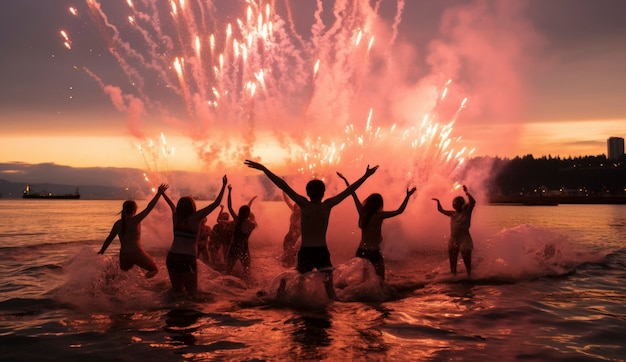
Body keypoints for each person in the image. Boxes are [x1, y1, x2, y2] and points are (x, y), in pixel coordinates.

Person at [244, 159, 378, 300]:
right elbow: (349, 191)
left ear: (307, 192)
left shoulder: (304, 204)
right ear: (323, 192)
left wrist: (264, 169)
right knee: (330, 292)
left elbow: (284, 186)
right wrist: (366, 176)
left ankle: (285, 294)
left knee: (300, 284)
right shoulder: (327, 205)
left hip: (306, 251)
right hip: (321, 251)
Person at [337, 173, 416, 279]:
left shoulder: (362, 213)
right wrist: (408, 196)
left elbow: (352, 193)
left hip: (361, 251)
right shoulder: (379, 216)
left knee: (364, 280)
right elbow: (400, 211)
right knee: (380, 279)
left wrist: (345, 180)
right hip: (374, 251)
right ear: (379, 205)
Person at [161, 176, 228, 296]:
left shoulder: (175, 216)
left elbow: (171, 205)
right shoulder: (195, 218)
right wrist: (223, 186)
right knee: (192, 294)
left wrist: (162, 193)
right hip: (186, 258)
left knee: (177, 293)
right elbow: (216, 203)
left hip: (172, 257)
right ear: (192, 206)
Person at [98, 183, 169, 279]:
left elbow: (109, 239)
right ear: (134, 210)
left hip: (124, 254)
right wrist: (158, 194)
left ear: (123, 210)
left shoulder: (117, 224)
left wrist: (102, 251)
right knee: (153, 270)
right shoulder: (135, 220)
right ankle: (143, 285)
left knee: (121, 276)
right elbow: (149, 207)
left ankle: (109, 284)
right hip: (136, 252)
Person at [432, 185, 476, 277]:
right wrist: (438, 202)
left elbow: (473, 202)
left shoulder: (466, 213)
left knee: (466, 260)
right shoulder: (452, 214)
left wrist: (467, 193)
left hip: (465, 239)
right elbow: (441, 210)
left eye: (456, 203)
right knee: (453, 261)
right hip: (453, 239)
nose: (454, 204)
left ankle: (469, 276)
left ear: (461, 204)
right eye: (453, 203)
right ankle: (453, 277)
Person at [225, 185, 257, 278]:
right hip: (244, 248)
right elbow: (249, 215)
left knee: (228, 271)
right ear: (248, 213)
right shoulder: (252, 224)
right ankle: (247, 288)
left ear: (239, 212)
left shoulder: (237, 220)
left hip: (234, 247)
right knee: (247, 271)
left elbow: (229, 207)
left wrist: (229, 191)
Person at [281, 190, 301, 267]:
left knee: (292, 251)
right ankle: (286, 263)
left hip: (297, 235)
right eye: (295, 207)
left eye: (297, 207)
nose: (296, 209)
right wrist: (283, 191)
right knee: (285, 248)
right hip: (290, 233)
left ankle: (292, 264)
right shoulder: (293, 210)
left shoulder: (302, 215)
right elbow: (287, 201)